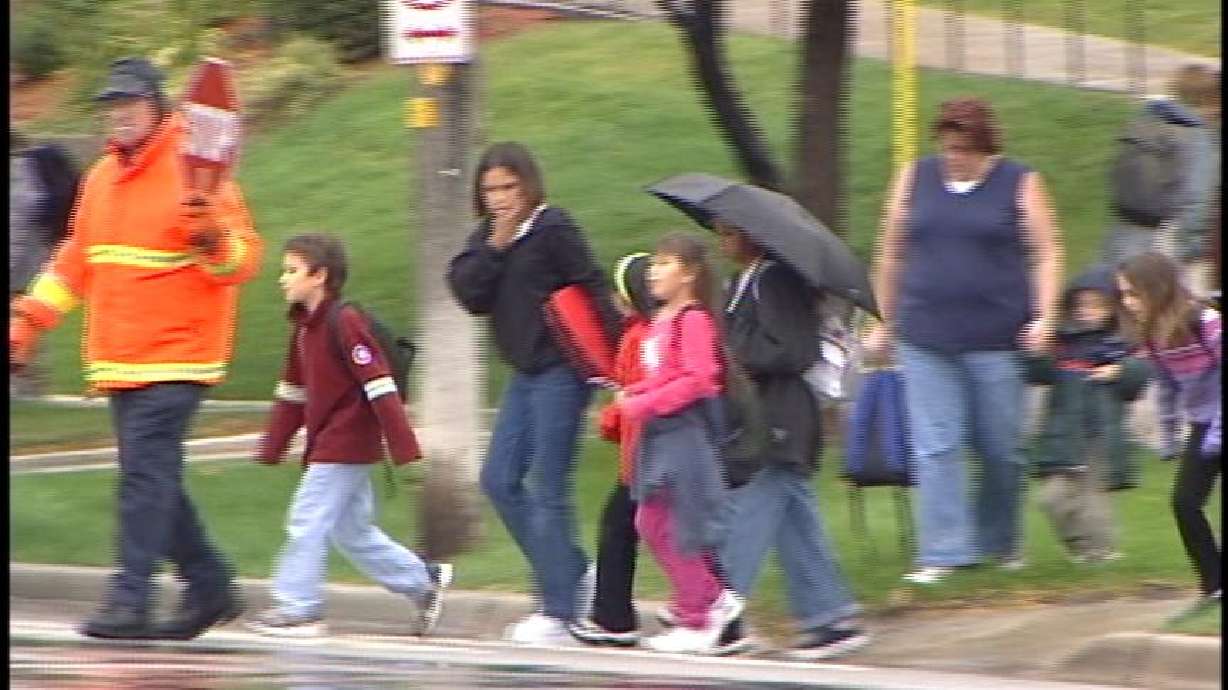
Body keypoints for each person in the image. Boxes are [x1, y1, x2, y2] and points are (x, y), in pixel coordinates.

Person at [8, 56, 263, 640]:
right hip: (123, 358)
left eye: (130, 104)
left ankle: (132, 599)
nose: (119, 115)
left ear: (159, 108)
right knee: (154, 476)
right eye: (112, 105)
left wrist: (210, 236)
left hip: (179, 355)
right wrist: (25, 325)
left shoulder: (194, 169)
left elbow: (242, 259)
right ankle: (209, 586)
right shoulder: (101, 179)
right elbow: (75, 263)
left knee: (144, 477)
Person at [865, 96, 1064, 584]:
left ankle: (999, 540)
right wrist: (880, 320)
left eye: (965, 148)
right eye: (948, 146)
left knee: (1001, 448)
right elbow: (891, 253)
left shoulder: (1020, 182)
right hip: (925, 333)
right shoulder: (914, 178)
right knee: (937, 445)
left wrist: (1044, 316)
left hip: (996, 337)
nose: (954, 156)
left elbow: (1046, 253)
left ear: (985, 146)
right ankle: (944, 551)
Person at [446, 142, 621, 645]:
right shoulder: (487, 239)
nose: (500, 198)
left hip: (562, 372)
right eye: (491, 189)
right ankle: (568, 571)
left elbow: (591, 286)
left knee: (549, 488)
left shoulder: (554, 228)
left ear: (529, 185)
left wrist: (617, 366)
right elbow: (468, 294)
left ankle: (560, 610)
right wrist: (495, 247)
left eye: (509, 187)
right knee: (498, 479)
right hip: (523, 375)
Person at [246, 233, 450, 637]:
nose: (283, 280)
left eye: (291, 271)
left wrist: (403, 445)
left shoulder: (346, 321)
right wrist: (272, 447)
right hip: (330, 441)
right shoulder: (304, 330)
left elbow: (379, 384)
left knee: (307, 519)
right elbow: (292, 395)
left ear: (320, 276)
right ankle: (423, 582)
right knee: (352, 532)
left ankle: (299, 608)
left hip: (346, 441)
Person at [713, 222, 869, 659]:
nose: (721, 239)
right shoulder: (743, 282)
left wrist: (739, 350)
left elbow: (794, 350)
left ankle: (719, 613)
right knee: (794, 519)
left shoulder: (773, 280)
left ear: (753, 235)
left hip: (784, 412)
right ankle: (828, 616)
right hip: (767, 412)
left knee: (753, 509)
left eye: (729, 232)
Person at [615, 232, 743, 654]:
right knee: (651, 522)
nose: (653, 272)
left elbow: (700, 379)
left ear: (688, 274)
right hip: (659, 433)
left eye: (664, 264)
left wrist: (645, 401)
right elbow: (670, 373)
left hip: (683, 434)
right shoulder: (662, 321)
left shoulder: (693, 320)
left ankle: (701, 614)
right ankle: (710, 602)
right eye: (653, 264)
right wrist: (639, 393)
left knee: (677, 525)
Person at [1024, 265, 1152, 563]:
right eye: (1081, 305)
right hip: (1062, 435)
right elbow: (1036, 372)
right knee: (1052, 498)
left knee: (1094, 502)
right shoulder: (1061, 344)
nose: (1087, 311)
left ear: (1112, 308)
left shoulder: (1122, 346)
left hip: (1101, 436)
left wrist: (1119, 371)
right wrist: (1035, 351)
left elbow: (1140, 376)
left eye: (1096, 305)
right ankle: (1079, 545)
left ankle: (1102, 553)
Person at [1116, 252, 1221, 613]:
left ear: (1156, 290)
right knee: (1185, 502)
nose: (1128, 304)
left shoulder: (1205, 322)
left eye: (1133, 294)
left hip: (1218, 421)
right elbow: (1167, 387)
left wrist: (1217, 434)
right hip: (1204, 424)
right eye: (1123, 296)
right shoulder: (1153, 337)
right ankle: (1214, 586)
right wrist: (1168, 436)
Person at [569, 252, 657, 646]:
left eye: (619, 294)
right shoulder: (643, 334)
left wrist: (608, 421)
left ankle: (614, 617)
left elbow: (633, 399)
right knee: (638, 527)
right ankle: (614, 614)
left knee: (623, 526)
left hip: (644, 457)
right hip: (642, 455)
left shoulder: (639, 339)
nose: (614, 301)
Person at [9, 140, 81, 397]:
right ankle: (30, 389)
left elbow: (19, 227)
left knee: (23, 326)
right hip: (40, 260)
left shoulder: (23, 169)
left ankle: (28, 390)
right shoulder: (36, 164)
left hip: (27, 264)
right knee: (27, 325)